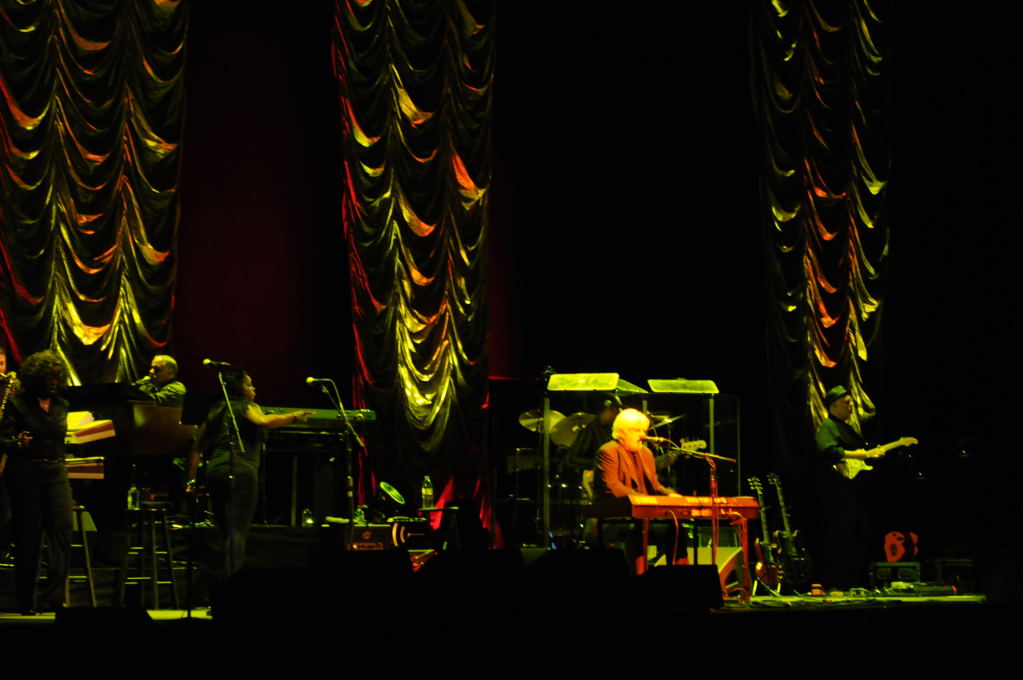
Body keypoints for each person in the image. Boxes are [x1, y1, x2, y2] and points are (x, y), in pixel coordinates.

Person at [186, 370, 309, 577]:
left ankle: (222, 580)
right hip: (241, 471)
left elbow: (196, 448)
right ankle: (233, 581)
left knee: (225, 532)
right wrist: (293, 416)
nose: (253, 388)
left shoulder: (215, 410)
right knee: (237, 531)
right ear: (238, 388)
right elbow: (263, 422)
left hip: (215, 471)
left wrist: (190, 481)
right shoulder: (248, 406)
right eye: (249, 384)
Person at [0, 350, 72, 614]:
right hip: (26, 472)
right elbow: (2, 439)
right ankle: (26, 601)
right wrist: (18, 443)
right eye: (48, 377)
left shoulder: (62, 404)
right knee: (28, 535)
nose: (53, 382)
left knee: (63, 529)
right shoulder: (18, 404)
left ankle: (52, 597)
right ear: (36, 377)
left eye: (57, 377)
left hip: (55, 471)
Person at [591, 408, 680, 572]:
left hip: (642, 517)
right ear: (622, 432)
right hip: (614, 519)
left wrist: (672, 495)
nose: (642, 435)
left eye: (644, 431)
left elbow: (655, 485)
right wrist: (644, 500)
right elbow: (612, 486)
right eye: (637, 430)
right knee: (638, 529)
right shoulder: (608, 451)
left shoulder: (646, 453)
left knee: (675, 529)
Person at [815, 384, 882, 590]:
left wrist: (871, 454)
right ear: (833, 406)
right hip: (839, 491)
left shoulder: (847, 428)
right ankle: (835, 584)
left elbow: (859, 455)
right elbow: (827, 449)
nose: (851, 405)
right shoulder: (829, 426)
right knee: (841, 536)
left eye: (851, 401)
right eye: (846, 402)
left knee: (859, 535)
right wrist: (857, 454)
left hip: (854, 491)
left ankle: (853, 583)